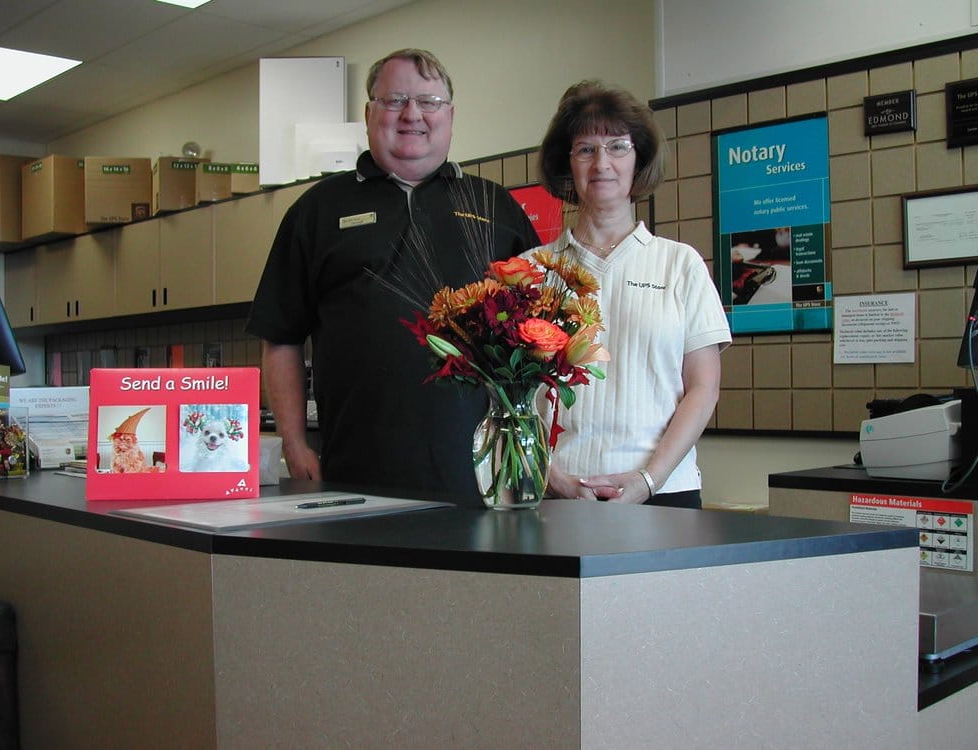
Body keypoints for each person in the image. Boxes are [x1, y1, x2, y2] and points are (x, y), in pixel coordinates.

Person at [245, 48, 539, 505]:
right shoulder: (316, 210)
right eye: (395, 100)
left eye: (429, 102)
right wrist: (294, 442)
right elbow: (281, 338)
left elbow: (539, 339)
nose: (412, 114)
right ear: (369, 114)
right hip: (352, 471)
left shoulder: (495, 207)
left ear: (450, 116)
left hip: (479, 474)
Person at [528, 80, 731, 509]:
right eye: (586, 149)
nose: (602, 163)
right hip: (556, 494)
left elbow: (703, 388)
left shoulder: (680, 264)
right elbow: (509, 397)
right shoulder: (531, 270)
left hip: (665, 493)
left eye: (618, 147)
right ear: (567, 163)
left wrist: (648, 479)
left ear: (639, 159)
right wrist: (553, 478)